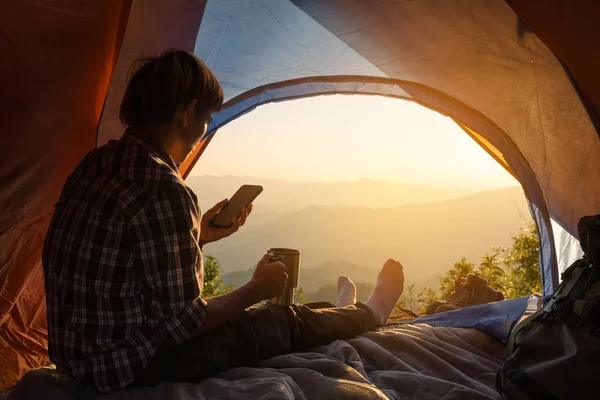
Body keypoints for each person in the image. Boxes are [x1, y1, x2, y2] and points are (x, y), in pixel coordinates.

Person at [42, 49, 405, 394]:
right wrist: (253, 290)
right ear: (186, 112)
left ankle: (340, 313)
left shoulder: (96, 164)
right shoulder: (162, 189)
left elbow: (122, 265)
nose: (204, 128)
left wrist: (197, 236)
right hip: (127, 365)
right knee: (278, 319)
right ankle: (369, 313)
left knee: (262, 313)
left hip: (77, 355)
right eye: (206, 118)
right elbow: (183, 324)